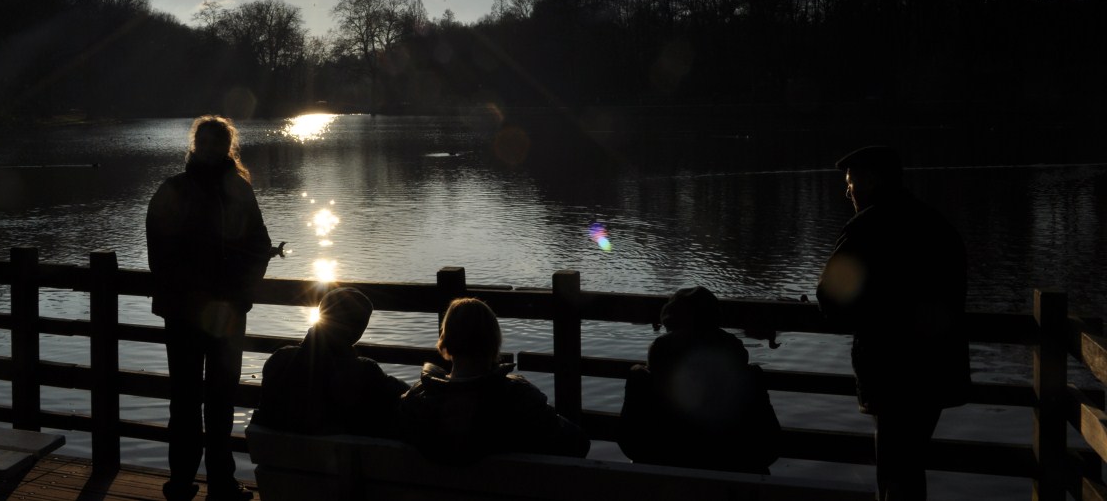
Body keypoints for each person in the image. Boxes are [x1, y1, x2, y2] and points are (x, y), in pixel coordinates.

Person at [816, 145, 970, 501]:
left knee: (894, 470)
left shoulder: (868, 227)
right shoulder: (935, 224)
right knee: (911, 464)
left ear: (872, 180)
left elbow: (831, 298)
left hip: (892, 371)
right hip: (939, 370)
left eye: (852, 183)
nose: (848, 191)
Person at [147, 116, 280, 501]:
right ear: (194, 146)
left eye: (215, 143)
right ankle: (181, 481)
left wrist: (240, 293)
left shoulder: (238, 190)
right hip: (184, 313)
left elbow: (259, 246)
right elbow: (158, 251)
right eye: (202, 142)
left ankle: (221, 482)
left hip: (226, 314)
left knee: (221, 400)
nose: (208, 149)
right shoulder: (173, 189)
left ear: (227, 148)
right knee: (185, 400)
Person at [398, 297, 589, 464]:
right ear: (494, 342)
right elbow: (579, 444)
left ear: (445, 342)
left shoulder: (417, 401)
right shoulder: (519, 398)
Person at [618, 285, 780, 474]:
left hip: (662, 463)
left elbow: (630, 443)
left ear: (669, 322)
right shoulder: (745, 372)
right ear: (715, 319)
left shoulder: (651, 371)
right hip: (735, 465)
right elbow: (770, 448)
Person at [254, 287, 409, 436]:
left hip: (275, 458)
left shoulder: (279, 359)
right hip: (332, 460)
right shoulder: (365, 372)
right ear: (357, 331)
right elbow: (405, 399)